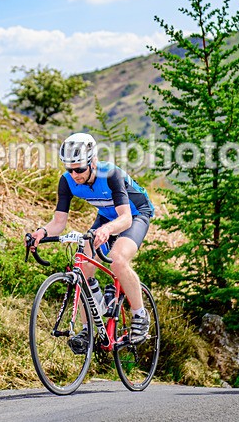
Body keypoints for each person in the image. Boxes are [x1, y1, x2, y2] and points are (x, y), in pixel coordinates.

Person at [29, 132, 154, 353]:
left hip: (135, 214)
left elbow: (124, 218)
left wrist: (106, 230)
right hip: (107, 216)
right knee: (84, 263)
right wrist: (41, 232)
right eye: (69, 169)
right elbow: (58, 222)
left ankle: (140, 316)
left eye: (79, 169)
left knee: (117, 259)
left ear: (93, 162)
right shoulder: (67, 182)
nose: (74, 174)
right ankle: (89, 326)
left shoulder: (111, 174)